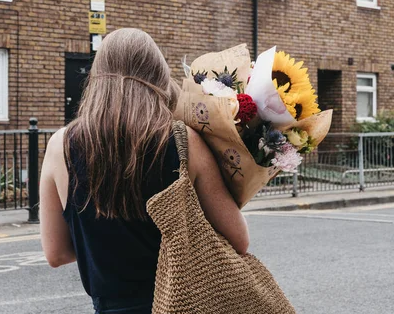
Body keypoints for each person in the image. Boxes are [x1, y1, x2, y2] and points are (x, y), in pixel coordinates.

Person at [40, 28, 249, 314]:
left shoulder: (60, 146)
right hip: (184, 304)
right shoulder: (183, 142)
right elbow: (239, 240)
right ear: (158, 76)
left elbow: (56, 253)